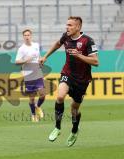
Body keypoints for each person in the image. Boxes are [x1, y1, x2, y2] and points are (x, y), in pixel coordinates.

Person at [39, 16, 99, 147]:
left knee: (74, 109)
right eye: (67, 25)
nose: (67, 27)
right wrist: (45, 56)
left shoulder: (88, 41)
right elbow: (57, 44)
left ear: (78, 27)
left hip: (82, 80)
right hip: (67, 73)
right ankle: (57, 127)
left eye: (70, 25)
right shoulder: (65, 36)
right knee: (60, 96)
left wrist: (79, 55)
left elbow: (96, 62)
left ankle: (74, 130)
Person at [15, 29, 45, 122]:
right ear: (23, 37)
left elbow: (38, 57)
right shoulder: (21, 49)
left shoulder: (36, 46)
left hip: (37, 71)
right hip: (28, 75)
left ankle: (38, 106)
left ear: (31, 36)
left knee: (42, 94)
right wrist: (25, 60)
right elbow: (17, 62)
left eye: (28, 35)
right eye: (25, 35)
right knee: (31, 98)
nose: (27, 37)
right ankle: (33, 115)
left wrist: (41, 61)